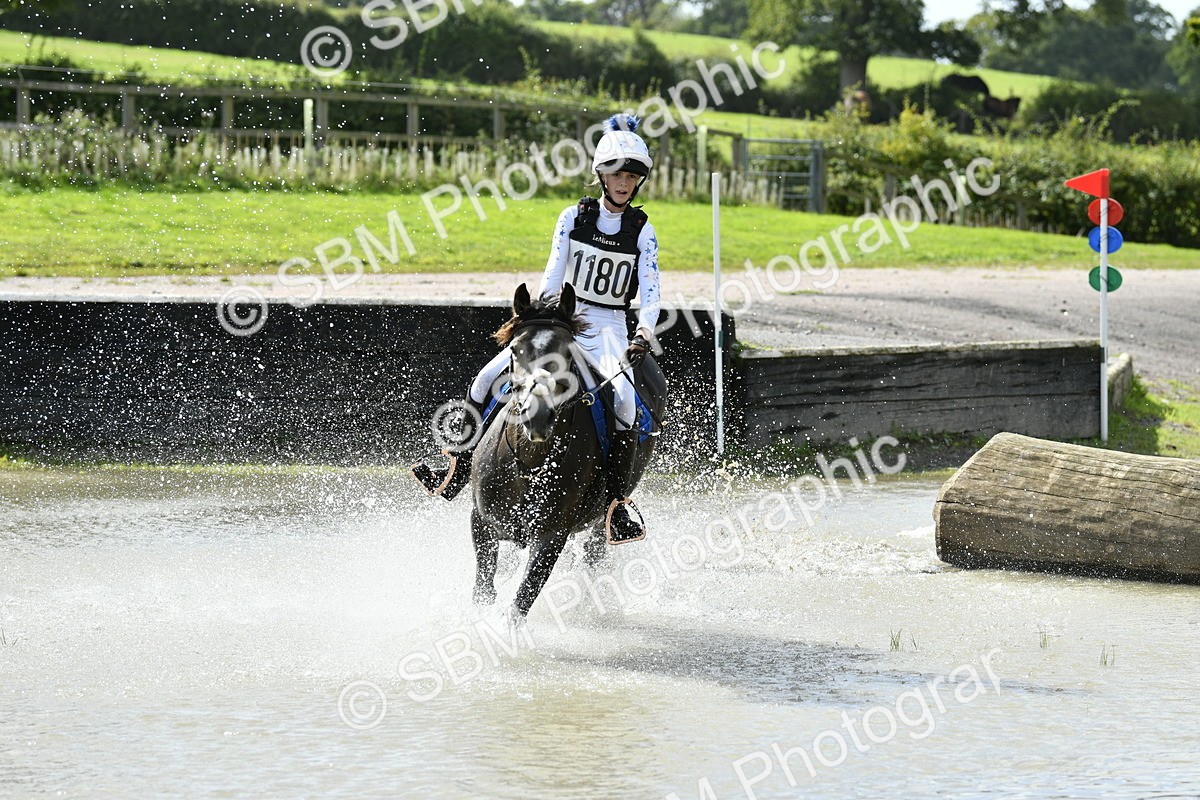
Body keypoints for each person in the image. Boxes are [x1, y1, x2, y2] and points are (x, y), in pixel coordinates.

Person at [412, 113, 661, 545]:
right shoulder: (572, 217)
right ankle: (457, 465)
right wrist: (545, 319)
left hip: (607, 328)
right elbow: (552, 272)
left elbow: (653, 293)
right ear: (601, 175)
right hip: (562, 320)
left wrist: (642, 334)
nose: (624, 182)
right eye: (617, 173)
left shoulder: (643, 230)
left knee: (623, 401)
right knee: (485, 378)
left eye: (632, 176)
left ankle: (615, 506)